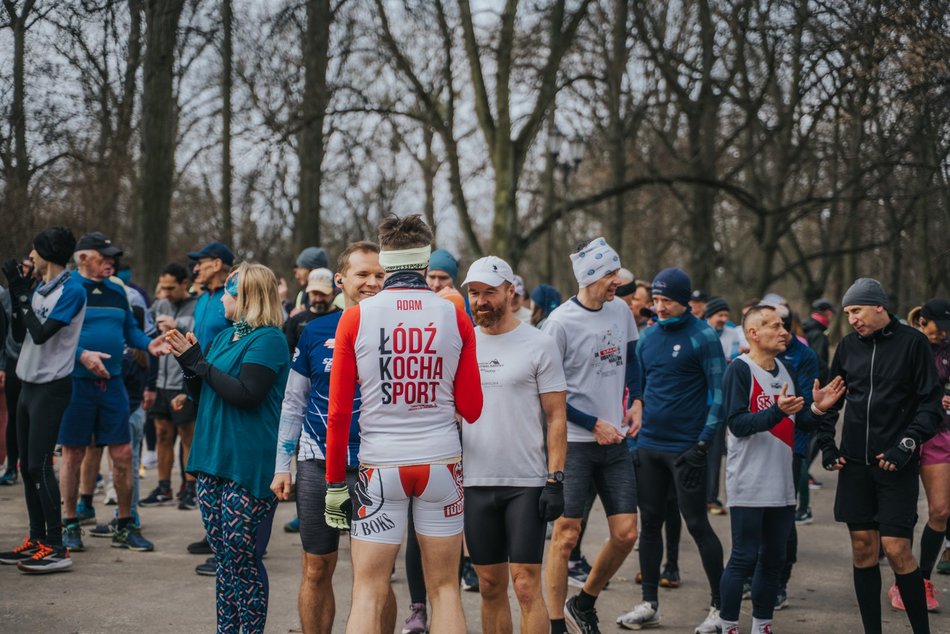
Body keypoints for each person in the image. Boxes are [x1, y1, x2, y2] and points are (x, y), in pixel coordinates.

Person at [323, 214, 483, 634]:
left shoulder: (356, 317)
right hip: (441, 462)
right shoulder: (454, 315)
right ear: (424, 257)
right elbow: (472, 408)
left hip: (381, 466)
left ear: (386, 256)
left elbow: (339, 414)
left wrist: (336, 483)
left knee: (368, 591)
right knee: (445, 588)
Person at [270, 242, 394, 634]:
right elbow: (293, 403)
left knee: (375, 575)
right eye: (363, 274)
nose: (373, 282)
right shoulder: (315, 331)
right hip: (318, 461)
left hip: (380, 464)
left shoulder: (400, 329)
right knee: (316, 566)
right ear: (341, 279)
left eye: (380, 274)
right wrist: (281, 467)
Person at [166, 262, 290, 633]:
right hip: (213, 456)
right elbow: (204, 394)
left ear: (247, 297)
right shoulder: (225, 337)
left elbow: (248, 395)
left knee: (241, 555)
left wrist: (199, 365)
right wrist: (190, 367)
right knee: (224, 557)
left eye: (229, 292)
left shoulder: (269, 339)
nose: (222, 298)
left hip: (247, 460)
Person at [817, 278, 940, 634]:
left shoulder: (913, 344)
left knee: (898, 548)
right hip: (856, 464)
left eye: (857, 310)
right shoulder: (848, 347)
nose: (852, 319)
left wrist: (908, 443)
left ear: (878, 306)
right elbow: (830, 399)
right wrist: (827, 445)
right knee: (863, 547)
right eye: (848, 313)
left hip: (895, 464)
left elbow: (930, 403)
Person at [718, 304, 845, 634]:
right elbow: (736, 424)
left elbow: (797, 421)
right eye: (773, 326)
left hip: (782, 482)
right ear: (753, 333)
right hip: (748, 481)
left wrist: (817, 408)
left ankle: (762, 625)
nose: (784, 331)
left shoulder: (785, 372)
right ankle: (728, 624)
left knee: (773, 559)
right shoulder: (740, 370)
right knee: (743, 558)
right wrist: (776, 412)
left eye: (783, 326)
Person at [462, 256, 568, 634]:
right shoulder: (462, 344)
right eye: (474, 293)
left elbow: (557, 416)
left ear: (511, 292)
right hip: (474, 481)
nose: (481, 301)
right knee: (490, 585)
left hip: (526, 481)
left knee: (525, 584)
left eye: (489, 292)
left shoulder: (539, 343)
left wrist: (555, 479)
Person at [542, 237, 641, 634]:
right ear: (587, 276)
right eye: (608, 274)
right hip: (575, 446)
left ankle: (584, 602)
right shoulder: (559, 323)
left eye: (616, 273)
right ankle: (555, 625)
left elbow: (633, 362)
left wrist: (637, 403)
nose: (616, 281)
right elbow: (548, 396)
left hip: (614, 442)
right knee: (565, 536)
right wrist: (592, 423)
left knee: (626, 533)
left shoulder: (621, 312)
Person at [618, 267, 725, 633]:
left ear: (685, 301)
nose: (659, 307)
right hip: (649, 447)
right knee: (649, 525)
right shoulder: (648, 338)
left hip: (686, 450)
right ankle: (649, 603)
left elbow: (720, 395)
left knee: (697, 524)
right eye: (656, 301)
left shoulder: (704, 336)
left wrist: (703, 445)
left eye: (667, 301)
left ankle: (719, 609)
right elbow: (638, 393)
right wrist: (634, 441)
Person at [58, 233, 164, 554]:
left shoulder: (118, 290)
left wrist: (149, 344)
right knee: (74, 454)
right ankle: (70, 524)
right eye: (103, 256)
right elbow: (56, 336)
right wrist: (82, 355)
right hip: (77, 383)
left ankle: (125, 523)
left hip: (114, 383)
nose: (111, 261)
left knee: (123, 455)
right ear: (82, 258)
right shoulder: (69, 289)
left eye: (112, 257)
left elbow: (129, 330)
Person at [0, 229, 85, 573]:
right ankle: (36, 539)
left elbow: (42, 332)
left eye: (34, 249)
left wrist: (22, 296)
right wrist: (20, 296)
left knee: (39, 466)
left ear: (47, 253)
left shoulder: (73, 289)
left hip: (51, 386)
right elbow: (21, 334)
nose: (29, 255)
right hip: (26, 382)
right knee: (26, 466)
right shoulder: (40, 287)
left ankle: (57, 547)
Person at [184, 241, 234, 569]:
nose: (196, 268)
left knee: (225, 461)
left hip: (227, 388)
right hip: (200, 387)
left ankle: (235, 542)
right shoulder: (202, 300)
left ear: (217, 263)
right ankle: (214, 532)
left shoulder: (233, 297)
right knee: (207, 463)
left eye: (200, 263)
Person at [904, 299, 950, 611]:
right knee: (901, 515)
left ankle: (921, 580)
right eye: (939, 327)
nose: (943, 334)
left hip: (939, 433)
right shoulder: (905, 345)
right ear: (922, 320)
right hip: (903, 434)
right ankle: (902, 580)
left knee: (941, 511)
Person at [140, 263, 198, 510]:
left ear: (184, 284)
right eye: (162, 287)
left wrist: (178, 326)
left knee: (187, 435)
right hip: (160, 381)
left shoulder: (198, 306)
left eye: (170, 288)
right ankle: (164, 487)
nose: (164, 293)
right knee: (162, 434)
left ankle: (190, 488)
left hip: (182, 381)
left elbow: (200, 340)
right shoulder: (159, 304)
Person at [703, 296, 742, 517]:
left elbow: (733, 362)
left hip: (723, 399)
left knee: (717, 453)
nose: (724, 319)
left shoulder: (732, 334)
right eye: (720, 315)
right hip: (701, 401)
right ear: (710, 316)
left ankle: (711, 497)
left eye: (726, 315)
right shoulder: (701, 333)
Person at [281, 267, 334, 353]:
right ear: (308, 292)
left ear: (333, 292)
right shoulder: (296, 320)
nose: (318, 299)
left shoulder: (343, 318)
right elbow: (287, 353)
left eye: (323, 294)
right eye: (314, 293)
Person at [289, 246, 329, 316]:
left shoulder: (337, 295)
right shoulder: (302, 295)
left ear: (313, 271)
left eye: (301, 269)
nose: (297, 276)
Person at [425, 248, 466, 313]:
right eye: (432, 277)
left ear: (453, 280)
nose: (436, 284)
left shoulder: (470, 309)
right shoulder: (414, 304)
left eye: (443, 278)